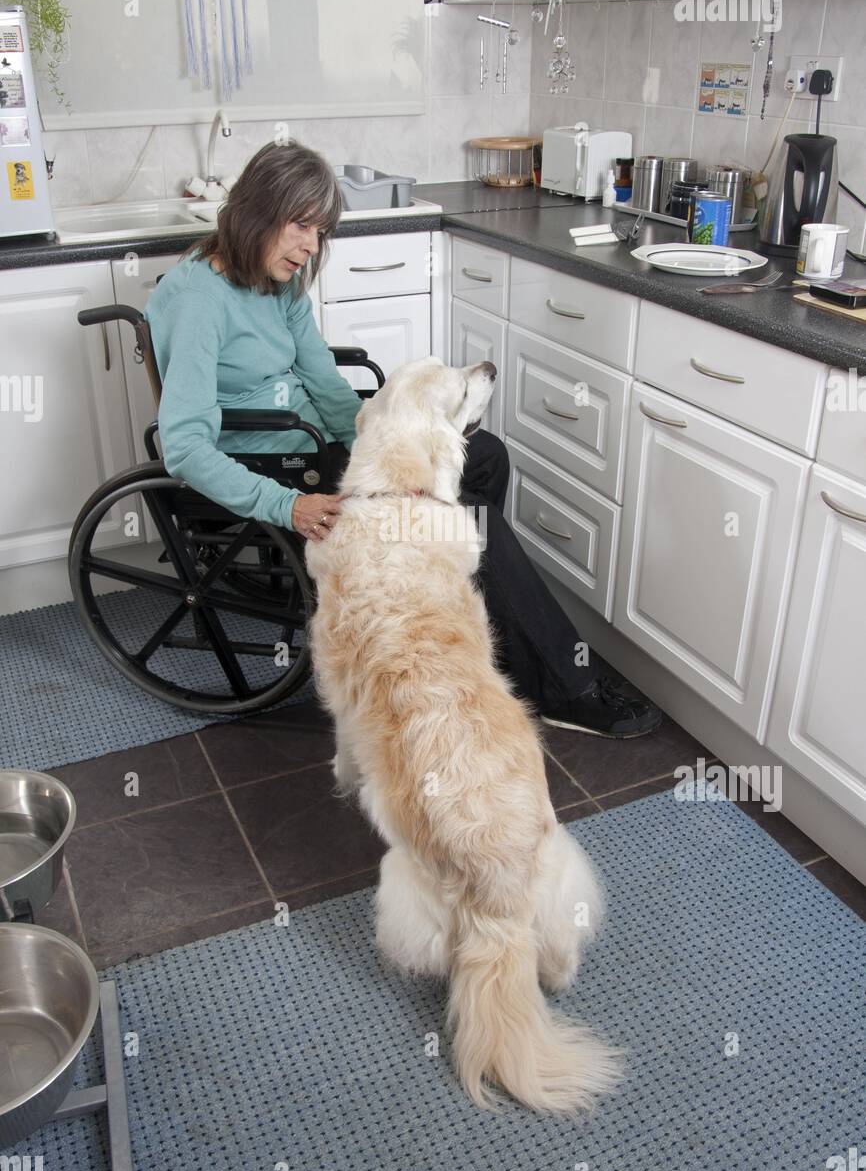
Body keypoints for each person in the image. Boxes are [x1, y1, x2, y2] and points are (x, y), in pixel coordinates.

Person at [145, 141, 661, 738]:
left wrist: (380, 444)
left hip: (314, 442)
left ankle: (463, 621)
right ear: (257, 212)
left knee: (483, 456)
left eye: (320, 230)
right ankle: (564, 685)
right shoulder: (197, 301)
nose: (312, 246)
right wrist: (288, 505)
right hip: (276, 464)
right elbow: (183, 447)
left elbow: (325, 384)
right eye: (301, 226)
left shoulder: (275, 282)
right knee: (461, 515)